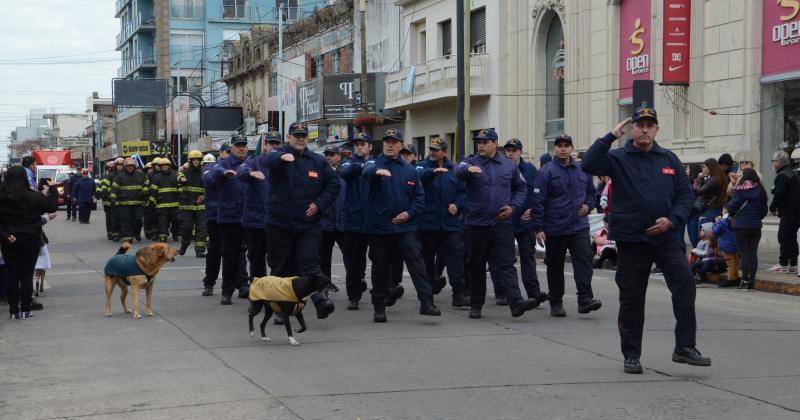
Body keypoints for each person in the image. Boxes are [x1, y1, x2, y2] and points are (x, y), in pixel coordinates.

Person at [582, 106, 711, 374]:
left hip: (666, 239)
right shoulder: (618, 157)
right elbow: (589, 163)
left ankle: (684, 347)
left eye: (649, 125)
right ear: (631, 128)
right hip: (632, 240)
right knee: (632, 298)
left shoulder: (669, 159)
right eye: (639, 124)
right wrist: (610, 135)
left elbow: (685, 196)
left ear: (656, 129)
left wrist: (672, 220)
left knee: (686, 285)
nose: (644, 129)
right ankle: (631, 354)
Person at [455, 128, 540, 320]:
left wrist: (513, 208)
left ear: (495, 143)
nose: (481, 145)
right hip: (476, 223)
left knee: (506, 264)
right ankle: (476, 305)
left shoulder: (508, 166)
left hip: (501, 222)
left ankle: (516, 302)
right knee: (476, 265)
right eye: (479, 142)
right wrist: (468, 170)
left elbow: (521, 188)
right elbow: (457, 169)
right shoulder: (470, 161)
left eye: (485, 142)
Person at [363, 128, 441, 322]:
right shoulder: (374, 162)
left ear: (400, 145)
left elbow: (419, 198)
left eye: (394, 142)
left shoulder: (409, 169)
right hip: (381, 227)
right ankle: (379, 306)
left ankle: (427, 302)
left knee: (417, 264)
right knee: (380, 268)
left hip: (406, 227)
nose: (390, 144)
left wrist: (409, 214)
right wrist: (376, 172)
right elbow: (367, 171)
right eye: (387, 141)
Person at [264, 122, 338, 318]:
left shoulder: (318, 161)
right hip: (280, 224)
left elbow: (333, 184)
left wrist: (319, 204)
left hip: (308, 225)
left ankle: (320, 300)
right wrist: (281, 157)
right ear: (288, 137)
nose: (300, 139)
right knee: (281, 268)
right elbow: (269, 159)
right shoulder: (278, 155)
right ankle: (281, 309)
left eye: (303, 136)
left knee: (311, 264)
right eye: (296, 135)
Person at [532, 134, 602, 317]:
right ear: (554, 148)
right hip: (555, 227)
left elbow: (592, 194)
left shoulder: (583, 170)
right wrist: (538, 228)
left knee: (585, 260)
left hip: (579, 226)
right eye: (559, 145)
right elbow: (538, 201)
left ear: (572, 148)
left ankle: (585, 299)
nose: (563, 148)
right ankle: (556, 301)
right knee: (555, 266)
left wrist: (588, 205)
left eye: (566, 145)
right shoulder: (546, 171)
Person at [415, 137, 470, 308]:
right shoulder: (421, 167)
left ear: (445, 152)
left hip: (450, 223)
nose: (432, 152)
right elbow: (418, 179)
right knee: (427, 261)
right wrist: (433, 173)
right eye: (431, 149)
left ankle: (459, 294)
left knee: (456, 260)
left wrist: (457, 205)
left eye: (436, 149)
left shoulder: (454, 170)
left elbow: (463, 193)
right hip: (427, 224)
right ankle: (428, 292)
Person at [0, 166, 59, 319]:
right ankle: (26, 309)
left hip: (9, 238)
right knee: (26, 275)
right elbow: (52, 207)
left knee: (12, 275)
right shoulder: (34, 196)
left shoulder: (2, 196)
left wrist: (6, 235)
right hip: (31, 238)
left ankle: (14, 311)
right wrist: (52, 188)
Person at [501, 138, 548, 305]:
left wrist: (534, 212)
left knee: (528, 257)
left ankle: (534, 293)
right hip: (505, 220)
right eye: (508, 150)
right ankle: (504, 293)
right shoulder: (500, 167)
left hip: (525, 221)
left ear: (520, 152)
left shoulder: (529, 170)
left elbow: (537, 194)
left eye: (514, 150)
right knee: (505, 259)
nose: (511, 153)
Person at [206, 136, 250, 304]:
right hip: (228, 217)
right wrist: (223, 174)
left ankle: (246, 286)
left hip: (248, 216)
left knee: (250, 254)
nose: (241, 148)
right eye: (238, 145)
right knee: (229, 255)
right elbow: (209, 178)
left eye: (243, 145)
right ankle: (227, 291)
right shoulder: (223, 164)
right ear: (231, 147)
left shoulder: (251, 162)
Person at [237, 132, 283, 279]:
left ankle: (276, 292)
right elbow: (241, 171)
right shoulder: (255, 161)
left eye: (277, 143)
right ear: (265, 145)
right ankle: (258, 294)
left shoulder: (285, 162)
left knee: (277, 259)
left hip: (277, 221)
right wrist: (251, 173)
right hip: (256, 221)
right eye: (271, 143)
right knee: (256, 258)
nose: (274, 146)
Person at [339, 132, 373, 310]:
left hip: (375, 219)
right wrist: (364, 167)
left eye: (363, 144)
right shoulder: (349, 163)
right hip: (354, 220)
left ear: (370, 146)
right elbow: (345, 173)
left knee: (380, 259)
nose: (359, 147)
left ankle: (380, 292)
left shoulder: (378, 162)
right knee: (354, 261)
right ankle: (354, 296)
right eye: (357, 144)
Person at [724, 168, 768, 290]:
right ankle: (751, 282)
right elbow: (764, 210)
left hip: (741, 226)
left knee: (744, 254)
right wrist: (756, 217)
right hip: (755, 226)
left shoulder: (739, 191)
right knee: (753, 254)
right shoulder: (760, 190)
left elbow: (731, 207)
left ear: (744, 177)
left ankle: (744, 280)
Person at [767, 150, 800, 273]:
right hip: (795, 212)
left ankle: (783, 263)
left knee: (784, 237)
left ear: (779, 162)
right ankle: (794, 263)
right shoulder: (791, 173)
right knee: (791, 237)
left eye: (774, 161)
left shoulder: (782, 175)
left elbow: (779, 194)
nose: (772, 163)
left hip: (789, 212)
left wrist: (772, 207)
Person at [319, 146, 348, 280]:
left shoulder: (346, 174)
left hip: (343, 223)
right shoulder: (320, 174)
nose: (329, 157)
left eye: (332, 154)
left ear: (339, 157)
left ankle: (355, 285)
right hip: (325, 223)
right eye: (327, 155)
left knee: (350, 256)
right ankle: (325, 287)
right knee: (324, 259)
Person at [177, 150, 208, 257]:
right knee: (187, 228)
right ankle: (184, 245)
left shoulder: (204, 173)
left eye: (197, 160)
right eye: (193, 160)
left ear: (200, 161)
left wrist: (204, 196)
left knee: (202, 229)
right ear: (190, 161)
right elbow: (178, 176)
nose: (196, 162)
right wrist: (181, 179)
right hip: (187, 206)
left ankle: (199, 250)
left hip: (201, 206)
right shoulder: (184, 172)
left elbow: (210, 188)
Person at [111, 158, 145, 241]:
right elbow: (114, 188)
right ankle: (127, 237)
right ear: (125, 167)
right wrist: (113, 198)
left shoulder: (140, 175)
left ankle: (136, 233)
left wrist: (145, 191)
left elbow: (146, 184)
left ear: (134, 166)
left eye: (131, 166)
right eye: (128, 166)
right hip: (124, 204)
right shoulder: (120, 177)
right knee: (126, 221)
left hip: (138, 203)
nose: (130, 167)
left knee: (138, 221)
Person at [150, 158, 181, 242]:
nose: (164, 167)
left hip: (174, 204)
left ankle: (174, 233)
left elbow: (180, 188)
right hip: (162, 204)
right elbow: (153, 191)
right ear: (160, 167)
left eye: (166, 166)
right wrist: (152, 202)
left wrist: (180, 198)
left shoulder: (175, 175)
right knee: (162, 222)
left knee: (176, 221)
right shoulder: (157, 177)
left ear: (169, 166)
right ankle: (163, 237)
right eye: (162, 166)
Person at [695, 158, 728, 224]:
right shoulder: (718, 177)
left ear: (710, 167)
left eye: (704, 167)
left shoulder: (714, 180)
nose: (703, 169)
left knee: (705, 231)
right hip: (717, 207)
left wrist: (699, 179)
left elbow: (699, 191)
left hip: (710, 209)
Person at [711, 215, 738, 288]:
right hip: (735, 243)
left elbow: (715, 231)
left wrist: (716, 223)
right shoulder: (734, 218)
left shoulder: (722, 221)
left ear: (725, 210)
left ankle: (731, 280)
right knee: (735, 261)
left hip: (726, 245)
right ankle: (735, 278)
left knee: (730, 263)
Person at [97, 161, 117, 240]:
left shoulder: (117, 175)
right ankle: (110, 233)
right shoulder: (104, 177)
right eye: (109, 168)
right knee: (109, 218)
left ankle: (116, 232)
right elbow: (100, 187)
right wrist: (101, 195)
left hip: (115, 200)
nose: (110, 169)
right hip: (107, 201)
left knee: (115, 218)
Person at [142, 161, 160, 240]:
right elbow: (144, 187)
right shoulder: (146, 177)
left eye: (150, 168)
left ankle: (156, 233)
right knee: (148, 219)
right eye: (148, 169)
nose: (150, 170)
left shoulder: (159, 175)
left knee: (157, 218)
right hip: (147, 201)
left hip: (157, 201)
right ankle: (148, 232)